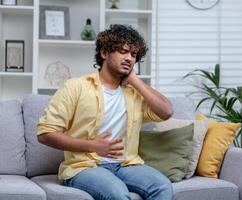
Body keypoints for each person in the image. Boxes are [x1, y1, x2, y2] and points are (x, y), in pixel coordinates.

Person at [37, 24, 174, 200]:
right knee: (117, 193)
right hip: (85, 167)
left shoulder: (133, 94)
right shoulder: (75, 87)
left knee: (162, 186)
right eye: (123, 51)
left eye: (133, 55)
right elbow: (45, 133)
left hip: (126, 165)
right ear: (104, 53)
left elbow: (167, 111)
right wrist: (93, 146)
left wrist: (134, 80)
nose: (129, 58)